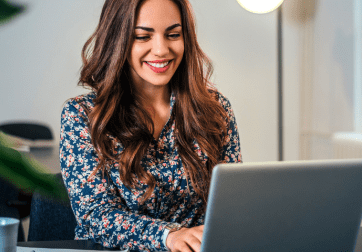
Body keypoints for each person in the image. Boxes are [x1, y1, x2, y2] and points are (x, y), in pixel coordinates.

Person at [59, 0, 242, 251]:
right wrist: (169, 236)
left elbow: (232, 206)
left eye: (173, 34)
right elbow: (95, 217)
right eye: (143, 37)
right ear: (118, 40)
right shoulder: (83, 114)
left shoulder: (216, 109)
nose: (161, 49)